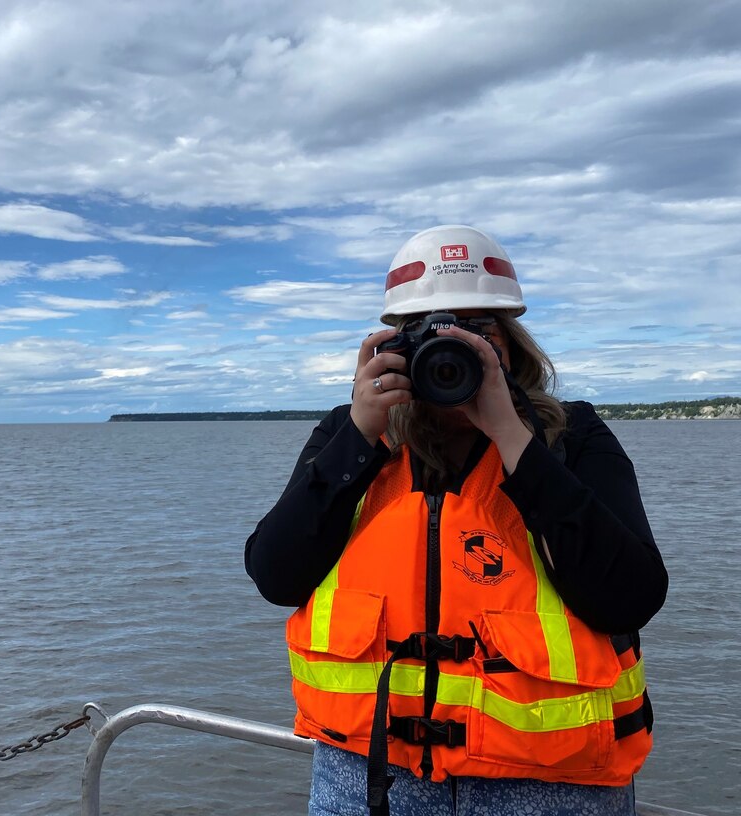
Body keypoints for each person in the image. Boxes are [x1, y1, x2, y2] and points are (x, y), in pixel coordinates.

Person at [245, 225, 668, 816]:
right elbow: (275, 576)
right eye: (430, 333)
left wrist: (511, 433)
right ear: (393, 344)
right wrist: (362, 433)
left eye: (477, 330)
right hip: (368, 775)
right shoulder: (350, 434)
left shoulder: (571, 435)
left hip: (551, 784)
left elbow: (629, 597)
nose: (454, 350)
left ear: (512, 345)